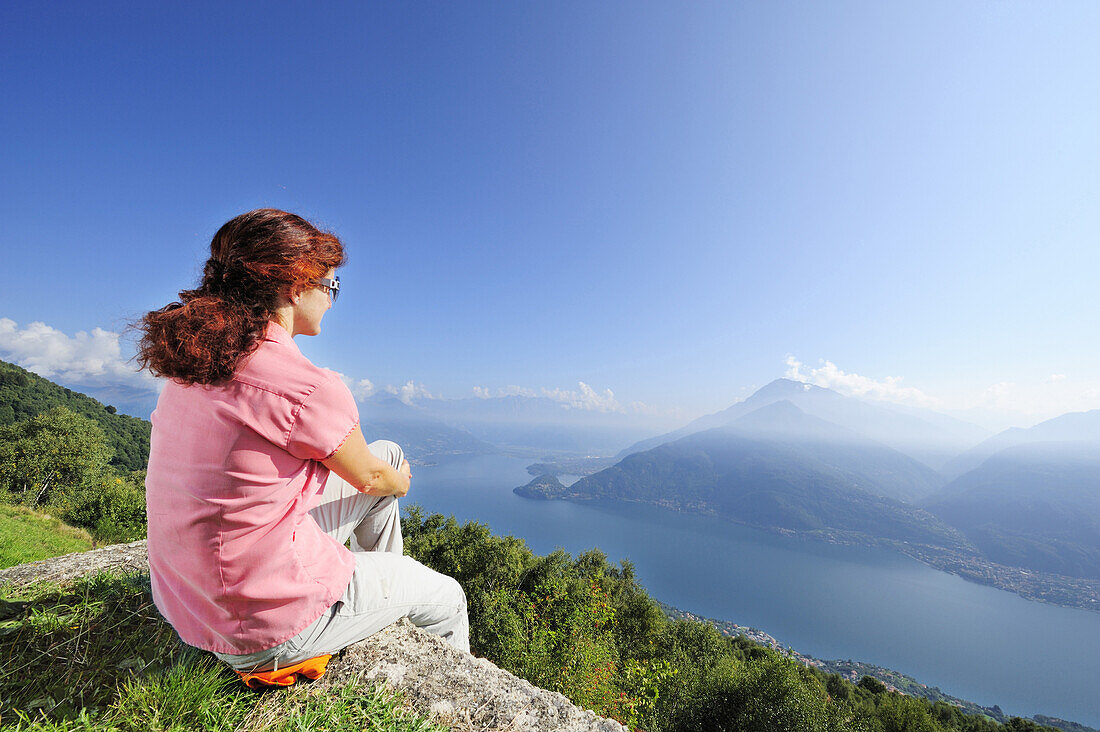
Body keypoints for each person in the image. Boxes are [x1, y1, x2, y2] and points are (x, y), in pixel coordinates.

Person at [139, 209, 469, 677]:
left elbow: (372, 465)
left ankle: (380, 601)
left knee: (387, 449)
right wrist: (402, 482)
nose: (332, 300)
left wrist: (385, 472)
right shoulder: (306, 386)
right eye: (330, 286)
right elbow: (373, 477)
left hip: (186, 600)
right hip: (259, 624)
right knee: (448, 596)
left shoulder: (194, 370)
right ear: (296, 286)